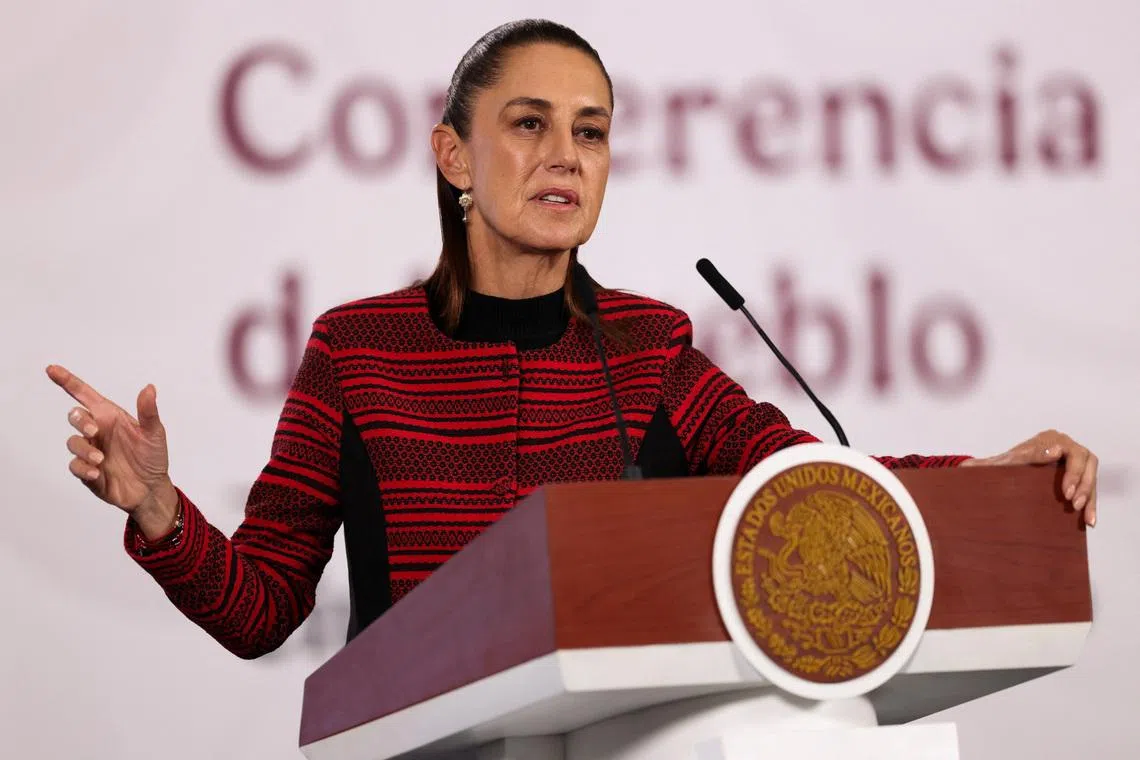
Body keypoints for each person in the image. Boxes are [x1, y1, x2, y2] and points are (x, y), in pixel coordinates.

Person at [45, 19, 1098, 660]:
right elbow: (266, 604)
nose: (567, 155)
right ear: (453, 155)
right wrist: (159, 513)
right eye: (531, 123)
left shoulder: (649, 348)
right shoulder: (355, 352)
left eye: (591, 131)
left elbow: (807, 485)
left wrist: (987, 481)